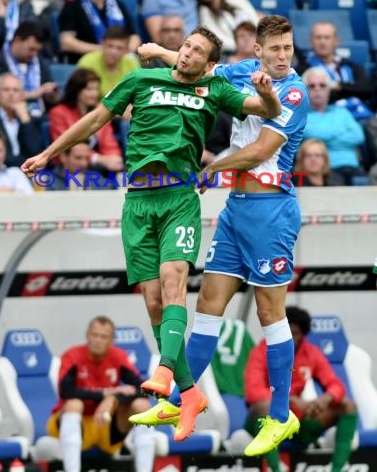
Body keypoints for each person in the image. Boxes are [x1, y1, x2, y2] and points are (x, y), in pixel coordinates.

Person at [21, 24, 281, 442]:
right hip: (137, 203)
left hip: (179, 197)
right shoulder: (141, 79)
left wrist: (267, 91)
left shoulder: (214, 90)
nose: (187, 54)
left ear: (209, 64)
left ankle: (163, 371)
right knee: (155, 303)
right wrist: (48, 154)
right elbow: (94, 120)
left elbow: (266, 110)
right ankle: (190, 393)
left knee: (173, 280)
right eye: (186, 47)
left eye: (197, 52)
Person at [132, 15, 309, 457]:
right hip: (236, 211)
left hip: (271, 210)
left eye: (288, 48)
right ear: (258, 51)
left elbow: (261, 151)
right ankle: (180, 401)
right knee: (208, 303)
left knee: (271, 313)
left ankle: (281, 413)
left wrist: (213, 166)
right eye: (275, 49)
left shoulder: (293, 91)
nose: (283, 55)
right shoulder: (239, 74)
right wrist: (158, 52)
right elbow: (197, 68)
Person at [244, 306, 358, 472]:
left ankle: (337, 469)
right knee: (265, 407)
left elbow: (336, 385)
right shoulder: (261, 351)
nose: (289, 337)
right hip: (264, 420)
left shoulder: (311, 353)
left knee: (348, 405)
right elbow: (253, 392)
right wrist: (287, 400)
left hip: (297, 419)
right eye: (286, 331)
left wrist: (324, 399)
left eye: (295, 333)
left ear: (303, 334)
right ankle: (276, 469)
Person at [47, 316, 157, 472]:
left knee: (142, 406)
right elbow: (65, 391)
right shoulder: (73, 356)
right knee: (74, 404)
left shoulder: (118, 356)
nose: (98, 340)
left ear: (112, 340)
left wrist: (113, 398)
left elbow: (143, 389)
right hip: (76, 423)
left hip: (105, 424)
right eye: (94, 335)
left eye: (103, 336)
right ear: (88, 336)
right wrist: (106, 393)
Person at [59, 0, 141, 64]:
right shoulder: (71, 7)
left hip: (119, 64)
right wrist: (105, 50)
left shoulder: (118, 5)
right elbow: (66, 43)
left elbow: (134, 37)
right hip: (87, 66)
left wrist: (120, 51)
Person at [48, 68, 124, 173]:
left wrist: (114, 157)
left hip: (98, 167)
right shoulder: (58, 112)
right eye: (89, 89)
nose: (94, 94)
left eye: (96, 89)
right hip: (70, 165)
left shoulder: (100, 112)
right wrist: (97, 159)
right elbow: (65, 146)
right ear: (77, 90)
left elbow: (109, 142)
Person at [0, 20, 59, 117]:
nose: (34, 54)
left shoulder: (39, 62)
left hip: (39, 117)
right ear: (17, 40)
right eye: (31, 49)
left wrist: (51, 95)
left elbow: (50, 91)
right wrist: (32, 94)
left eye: (37, 51)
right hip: (7, 119)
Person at [298, 21, 376, 122]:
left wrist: (339, 86)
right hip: (328, 119)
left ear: (336, 40)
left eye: (327, 37)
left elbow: (368, 89)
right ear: (311, 41)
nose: (322, 42)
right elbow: (319, 97)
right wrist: (353, 89)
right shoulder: (304, 68)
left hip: (361, 115)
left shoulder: (348, 64)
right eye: (318, 37)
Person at [302, 66, 367, 186]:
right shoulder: (301, 115)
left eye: (322, 85)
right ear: (304, 90)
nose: (317, 89)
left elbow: (358, 136)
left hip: (353, 167)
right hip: (324, 170)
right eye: (312, 86)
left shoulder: (342, 112)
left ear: (329, 90)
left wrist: (324, 137)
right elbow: (312, 134)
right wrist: (340, 131)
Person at [0, 73, 44, 168]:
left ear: (22, 95)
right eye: (6, 90)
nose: (11, 94)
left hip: (30, 173)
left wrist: (25, 120)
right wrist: (25, 164)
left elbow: (36, 152)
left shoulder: (31, 120)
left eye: (15, 90)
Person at [189, 0, 260, 57]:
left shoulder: (239, 0)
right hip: (234, 55)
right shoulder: (204, 11)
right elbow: (218, 40)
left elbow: (257, 23)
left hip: (258, 48)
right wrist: (244, 47)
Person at [77, 26, 140, 99]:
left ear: (126, 50)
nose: (113, 52)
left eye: (119, 48)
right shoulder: (87, 62)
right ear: (102, 44)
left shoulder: (132, 64)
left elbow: (138, 93)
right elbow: (81, 96)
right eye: (110, 46)